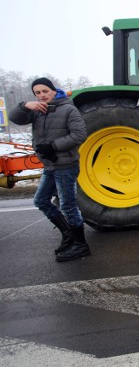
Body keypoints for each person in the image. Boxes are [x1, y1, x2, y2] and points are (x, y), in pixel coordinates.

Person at [9, 77, 89, 262]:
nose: (42, 95)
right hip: (50, 165)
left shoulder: (68, 109)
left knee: (68, 206)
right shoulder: (37, 111)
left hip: (65, 166)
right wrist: (26, 105)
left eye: (45, 91)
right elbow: (14, 117)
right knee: (41, 201)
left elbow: (79, 135)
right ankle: (68, 235)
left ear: (53, 91)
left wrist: (53, 146)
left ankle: (81, 245)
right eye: (37, 93)